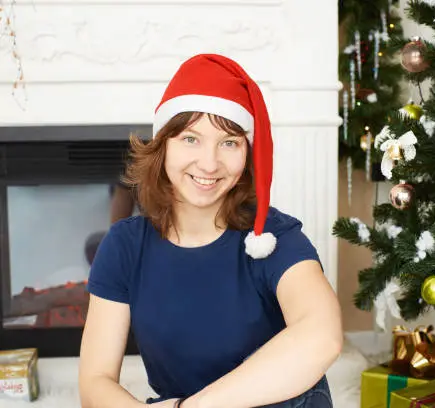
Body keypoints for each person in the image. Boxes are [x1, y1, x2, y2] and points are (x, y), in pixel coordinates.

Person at [78, 54, 343, 408]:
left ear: (248, 153)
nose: (208, 163)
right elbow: (95, 383)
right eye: (191, 139)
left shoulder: (273, 237)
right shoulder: (126, 245)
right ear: (163, 145)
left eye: (229, 142)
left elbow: (322, 336)